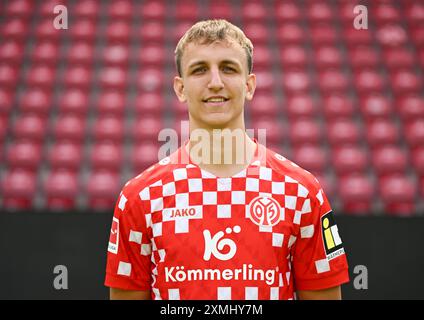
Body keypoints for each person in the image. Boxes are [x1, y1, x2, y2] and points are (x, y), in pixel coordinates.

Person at [104, 19, 349, 300]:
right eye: (199, 70)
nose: (215, 82)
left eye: (228, 69)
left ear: (249, 85)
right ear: (180, 88)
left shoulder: (302, 192)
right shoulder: (138, 198)